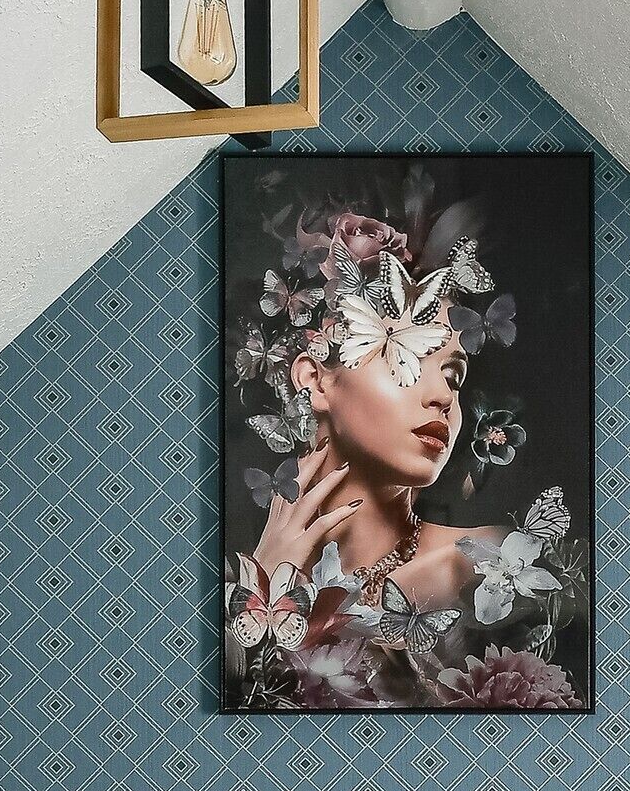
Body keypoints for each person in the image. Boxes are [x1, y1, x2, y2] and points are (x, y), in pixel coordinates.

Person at [227, 201, 579, 711]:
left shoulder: (486, 568)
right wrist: (266, 583)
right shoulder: (232, 587)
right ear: (316, 379)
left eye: (454, 375)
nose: (443, 398)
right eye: (406, 357)